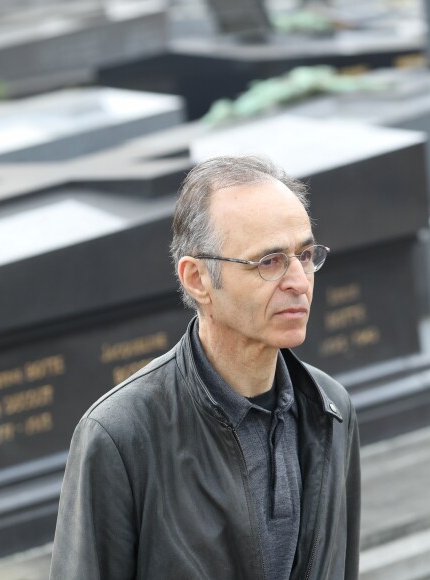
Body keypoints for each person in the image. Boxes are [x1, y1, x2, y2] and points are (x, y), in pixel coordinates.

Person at [50, 155, 360, 580]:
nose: (299, 281)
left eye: (305, 255)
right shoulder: (119, 436)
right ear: (197, 279)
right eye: (269, 261)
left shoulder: (331, 410)